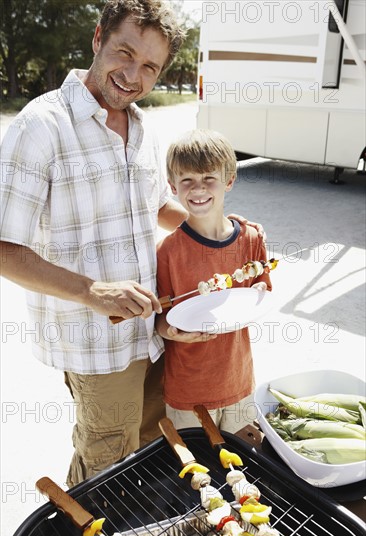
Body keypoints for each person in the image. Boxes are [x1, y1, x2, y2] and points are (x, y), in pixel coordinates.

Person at [0, 1, 263, 487]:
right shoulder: (42, 126)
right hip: (96, 344)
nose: (133, 75)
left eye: (150, 67)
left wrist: (225, 230)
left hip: (156, 332)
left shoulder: (141, 127)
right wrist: (93, 292)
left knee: (153, 445)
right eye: (125, 52)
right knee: (105, 463)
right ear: (98, 37)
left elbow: (160, 206)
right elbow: (4, 247)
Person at [156, 129, 272, 432]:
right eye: (187, 180)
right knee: (198, 472)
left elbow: (263, 286)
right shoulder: (167, 252)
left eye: (209, 178)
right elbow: (159, 319)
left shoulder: (251, 238)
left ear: (229, 181)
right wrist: (172, 331)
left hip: (238, 381)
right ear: (172, 187)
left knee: (244, 463)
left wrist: (261, 290)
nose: (198, 189)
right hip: (187, 391)